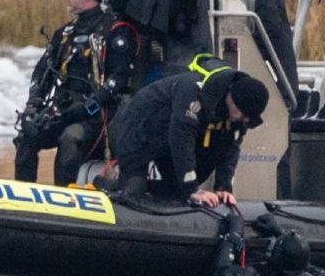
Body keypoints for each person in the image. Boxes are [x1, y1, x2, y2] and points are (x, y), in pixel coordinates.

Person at [107, 55, 270, 206]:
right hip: (137, 132)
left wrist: (223, 186)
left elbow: (230, 149)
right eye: (243, 115)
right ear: (233, 100)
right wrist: (191, 189)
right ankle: (110, 188)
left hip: (166, 145)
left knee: (174, 195)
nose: (245, 120)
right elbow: (181, 138)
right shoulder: (192, 90)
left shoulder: (238, 115)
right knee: (136, 189)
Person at [13, 0, 118, 186]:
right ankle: (23, 197)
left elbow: (118, 80)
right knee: (27, 135)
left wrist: (90, 105)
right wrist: (33, 105)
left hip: (94, 116)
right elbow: (42, 72)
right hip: (63, 109)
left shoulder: (111, 31)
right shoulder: (65, 33)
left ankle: (65, 200)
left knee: (70, 138)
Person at [209, 0, 299, 94]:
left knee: (283, 91)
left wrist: (255, 48)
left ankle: (286, 96)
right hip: (264, 52)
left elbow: (269, 23)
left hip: (272, 53)